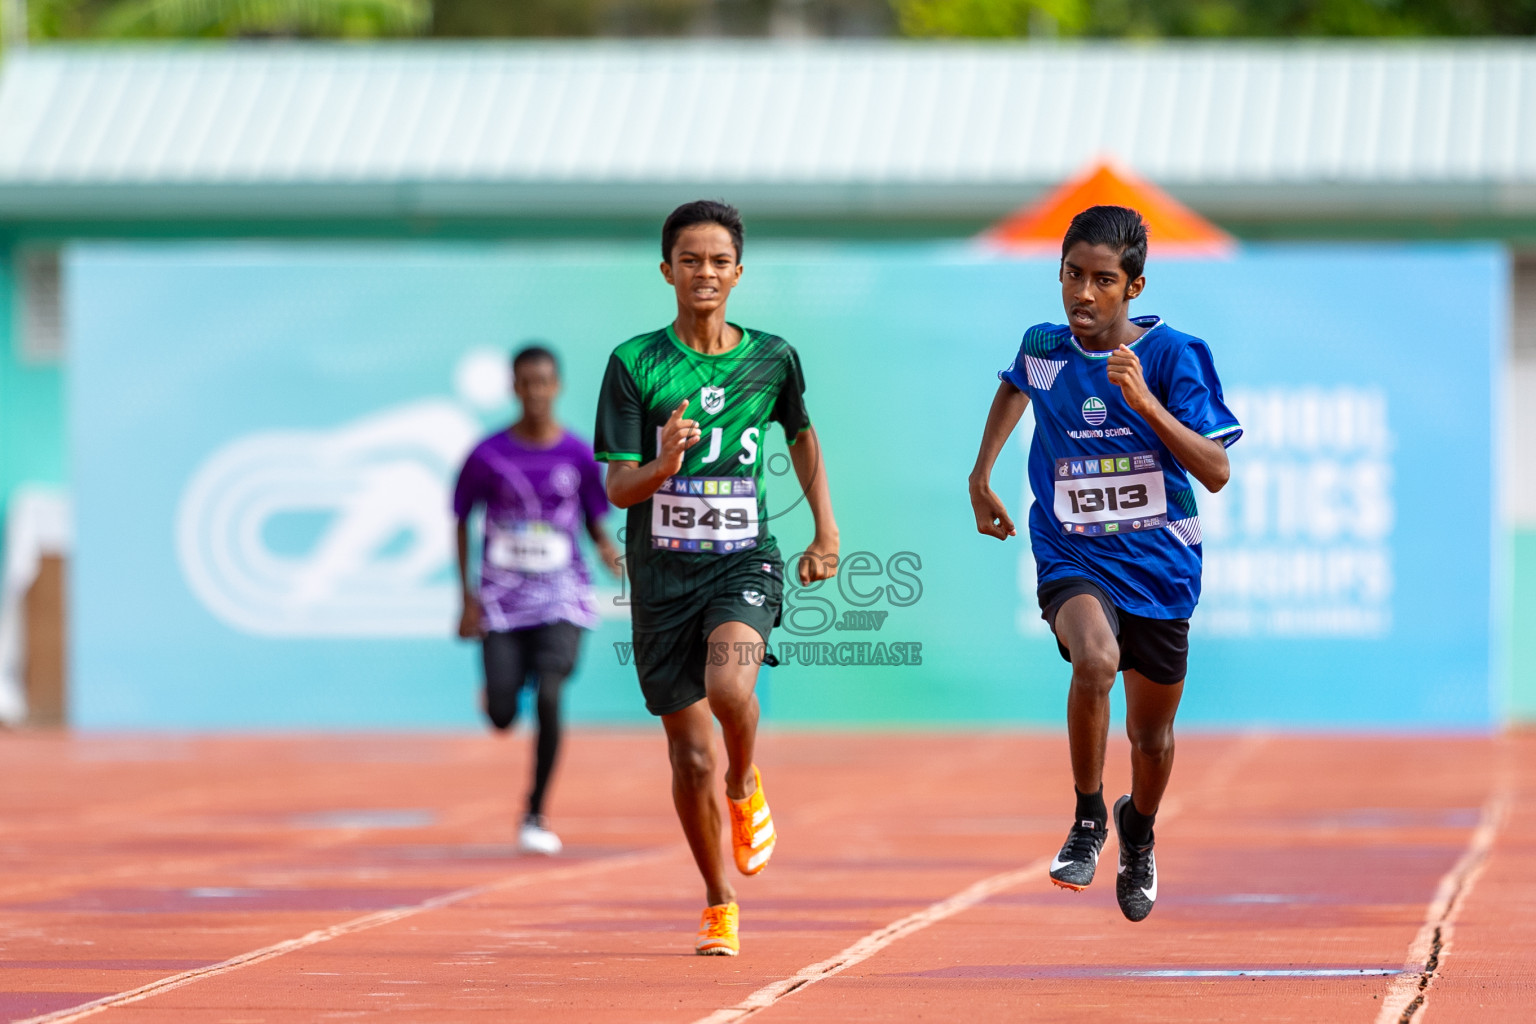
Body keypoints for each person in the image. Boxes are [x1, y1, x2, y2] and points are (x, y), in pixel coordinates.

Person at [967, 206, 1241, 922]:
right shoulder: (1046, 346)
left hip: (1160, 569)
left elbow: (1214, 470)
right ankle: (1088, 818)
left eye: (1103, 280)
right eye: (1072, 276)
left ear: (1135, 287)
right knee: (1093, 660)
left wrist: (1142, 400)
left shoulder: (1175, 356)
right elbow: (1015, 385)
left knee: (1151, 739)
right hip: (1072, 550)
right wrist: (981, 474)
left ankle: (1138, 831)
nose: (1083, 294)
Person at [594, 200, 839, 956]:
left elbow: (801, 436)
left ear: (739, 271)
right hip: (663, 577)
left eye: (718, 261)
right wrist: (664, 464)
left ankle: (744, 785)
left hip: (744, 562)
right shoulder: (635, 363)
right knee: (686, 755)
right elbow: (618, 489)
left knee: (732, 690)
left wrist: (825, 529)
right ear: (667, 270)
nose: (705, 272)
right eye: (690, 260)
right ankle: (717, 900)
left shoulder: (772, 357)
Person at [453, 344, 620, 856]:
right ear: (514, 388)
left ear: (558, 386)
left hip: (562, 594)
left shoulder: (577, 454)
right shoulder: (487, 456)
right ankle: (501, 687)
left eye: (544, 381)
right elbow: (461, 522)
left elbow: (595, 519)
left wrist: (610, 552)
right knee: (504, 714)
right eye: (526, 382)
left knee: (550, 693)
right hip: (503, 599)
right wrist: (467, 598)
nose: (536, 392)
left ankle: (535, 811)